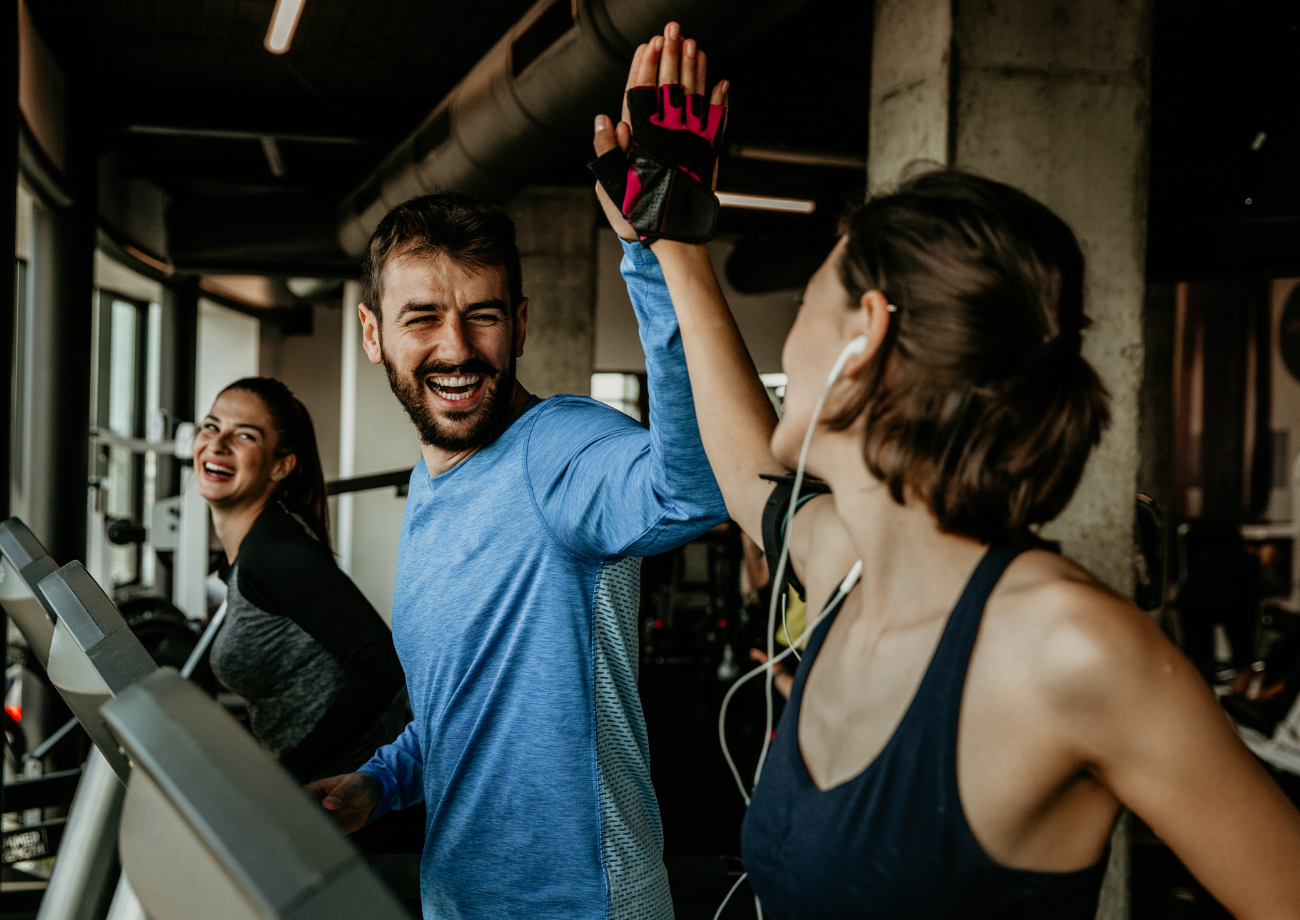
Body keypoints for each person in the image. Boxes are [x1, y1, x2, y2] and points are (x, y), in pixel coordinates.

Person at [589, 53, 1300, 918]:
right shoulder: (847, 567)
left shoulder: (1070, 644)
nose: (790, 349)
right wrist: (672, 239)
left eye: (810, 301)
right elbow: (745, 473)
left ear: (866, 335)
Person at [305, 26, 729, 919]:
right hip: (458, 900)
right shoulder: (434, 486)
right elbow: (462, 715)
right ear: (374, 335)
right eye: (422, 317)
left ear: (522, 324)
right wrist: (379, 785)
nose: (456, 348)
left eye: (482, 315)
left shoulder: (559, 448)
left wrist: (658, 258)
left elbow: (691, 490)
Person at [195, 377, 406, 783]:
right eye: (211, 426)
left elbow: (381, 664)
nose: (217, 444)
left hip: (350, 799)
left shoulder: (272, 550)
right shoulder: (253, 549)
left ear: (281, 465)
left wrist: (288, 779)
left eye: (244, 435)